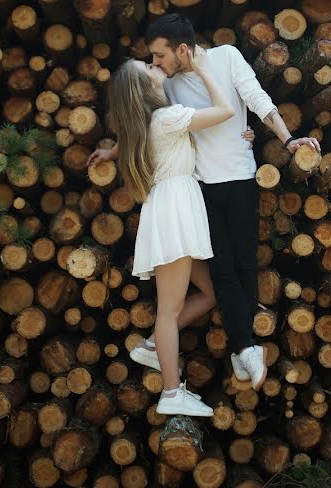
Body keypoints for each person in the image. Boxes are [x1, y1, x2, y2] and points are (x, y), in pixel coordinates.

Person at [90, 14, 321, 391]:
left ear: (181, 49)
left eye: (160, 55)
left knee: (247, 262)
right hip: (200, 188)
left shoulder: (227, 57)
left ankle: (241, 348)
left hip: (241, 176)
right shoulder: (169, 86)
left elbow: (256, 98)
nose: (158, 63)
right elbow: (144, 121)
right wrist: (113, 150)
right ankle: (245, 346)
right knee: (223, 270)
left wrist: (287, 138)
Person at [102, 49, 236, 417]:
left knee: (210, 293)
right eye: (147, 67)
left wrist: (107, 154)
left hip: (173, 206)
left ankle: (151, 346)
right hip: (174, 209)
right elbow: (224, 110)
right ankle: (172, 392)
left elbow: (123, 143)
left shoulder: (147, 123)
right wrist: (204, 70)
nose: (154, 64)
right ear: (144, 86)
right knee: (170, 309)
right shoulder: (165, 118)